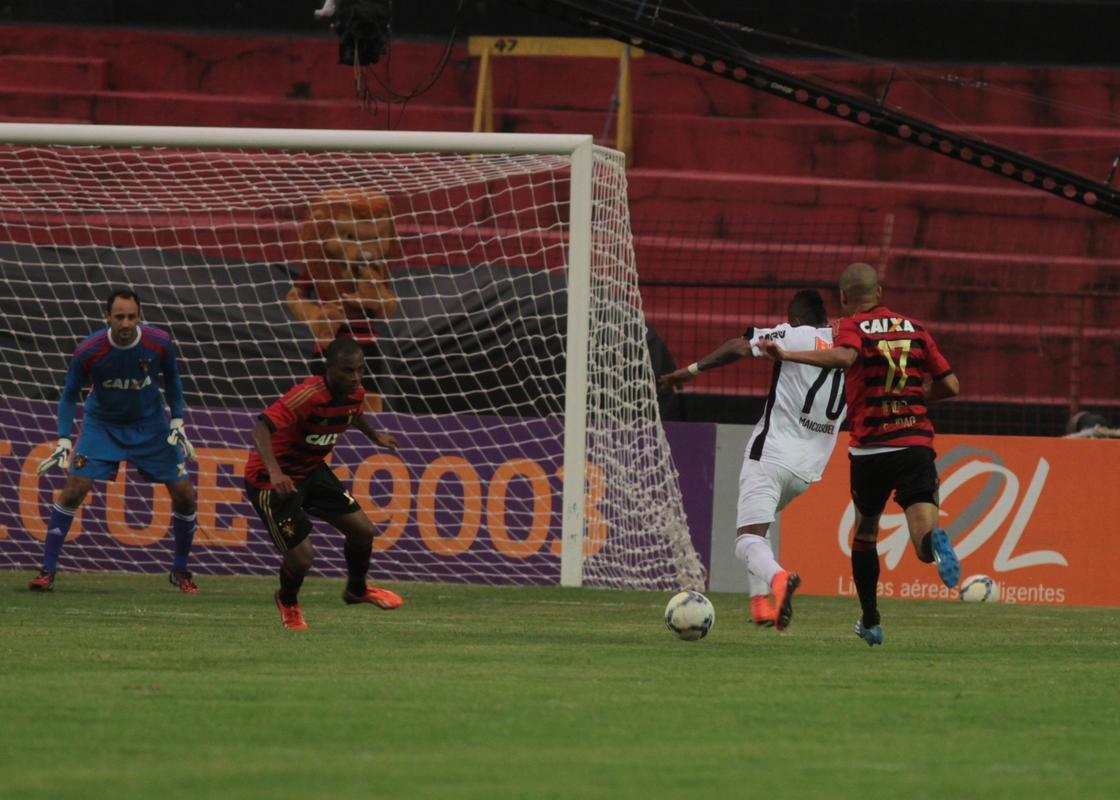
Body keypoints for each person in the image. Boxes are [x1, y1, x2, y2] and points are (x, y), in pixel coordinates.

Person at [758, 263, 961, 647]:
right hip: (915, 444)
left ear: (845, 298)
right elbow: (950, 384)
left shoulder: (849, 326)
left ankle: (870, 620)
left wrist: (786, 354)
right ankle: (935, 539)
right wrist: (914, 396)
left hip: (871, 450)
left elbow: (847, 358)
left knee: (866, 533)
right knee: (922, 542)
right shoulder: (915, 329)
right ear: (880, 292)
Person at [661, 290, 844, 632]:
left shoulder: (794, 334)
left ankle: (779, 580)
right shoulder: (847, 350)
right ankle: (760, 606)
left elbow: (737, 346)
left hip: (771, 453)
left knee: (746, 541)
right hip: (808, 469)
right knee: (761, 529)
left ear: (797, 320)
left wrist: (691, 370)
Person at [32, 288, 199, 593]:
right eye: (119, 316)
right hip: (102, 426)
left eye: (132, 317)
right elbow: (70, 394)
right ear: (106, 316)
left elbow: (173, 380)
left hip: (150, 426)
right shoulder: (89, 350)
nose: (125, 323)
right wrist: (63, 440)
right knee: (74, 489)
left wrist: (177, 419)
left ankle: (181, 569)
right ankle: (47, 570)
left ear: (140, 317)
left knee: (185, 493)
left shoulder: (159, 342)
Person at [244, 336, 404, 630]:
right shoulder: (307, 395)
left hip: (312, 471)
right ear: (329, 369)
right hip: (272, 481)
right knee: (303, 558)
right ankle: (288, 601)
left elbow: (353, 413)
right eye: (347, 370)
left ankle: (356, 590)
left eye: (360, 370)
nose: (355, 377)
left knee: (363, 531)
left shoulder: (356, 393)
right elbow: (261, 428)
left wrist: (374, 436)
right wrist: (276, 472)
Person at [287, 189, 399, 413]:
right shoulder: (319, 272)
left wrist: (377, 300)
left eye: (375, 238)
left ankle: (368, 439)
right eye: (350, 237)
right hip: (330, 343)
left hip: (366, 345)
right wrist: (315, 316)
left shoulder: (376, 272)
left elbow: (388, 305)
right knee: (320, 399)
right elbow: (294, 297)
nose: (364, 250)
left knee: (368, 399)